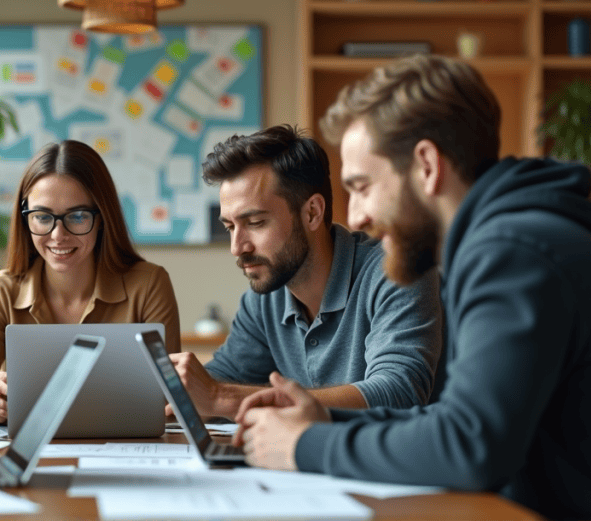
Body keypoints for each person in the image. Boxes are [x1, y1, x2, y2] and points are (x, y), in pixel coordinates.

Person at [236, 55, 591, 521]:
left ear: (426, 165)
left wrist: (307, 445)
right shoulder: (514, 238)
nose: (358, 216)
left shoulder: (512, 253)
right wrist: (324, 419)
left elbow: (470, 445)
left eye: (363, 186)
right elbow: (456, 422)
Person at [169, 125, 443, 420]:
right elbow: (222, 377)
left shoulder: (397, 271)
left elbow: (398, 392)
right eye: (230, 227)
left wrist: (220, 397)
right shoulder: (266, 296)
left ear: (312, 212)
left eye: (256, 222)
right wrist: (176, 393)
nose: (237, 247)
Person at [0, 140, 181, 424]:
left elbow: (171, 396)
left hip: (122, 449)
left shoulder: (148, 284)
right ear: (25, 219)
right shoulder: (0, 290)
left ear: (102, 217)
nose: (58, 235)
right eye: (43, 217)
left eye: (78, 216)